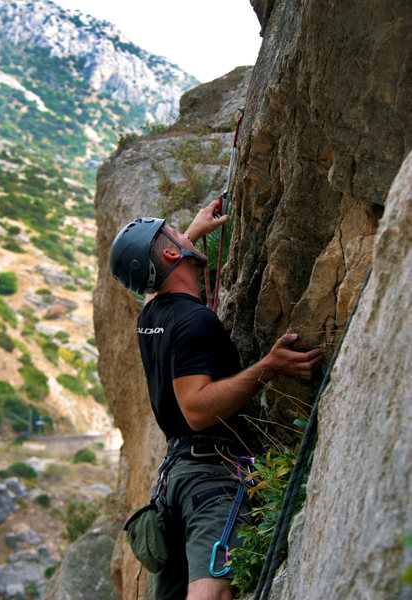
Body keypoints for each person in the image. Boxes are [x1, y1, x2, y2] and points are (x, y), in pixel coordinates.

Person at [110, 200, 322, 600]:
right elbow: (196, 409)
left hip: (176, 483)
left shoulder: (151, 316)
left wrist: (190, 235)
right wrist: (270, 366)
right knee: (212, 595)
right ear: (172, 253)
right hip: (210, 480)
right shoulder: (194, 321)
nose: (179, 234)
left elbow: (156, 283)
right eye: (172, 234)